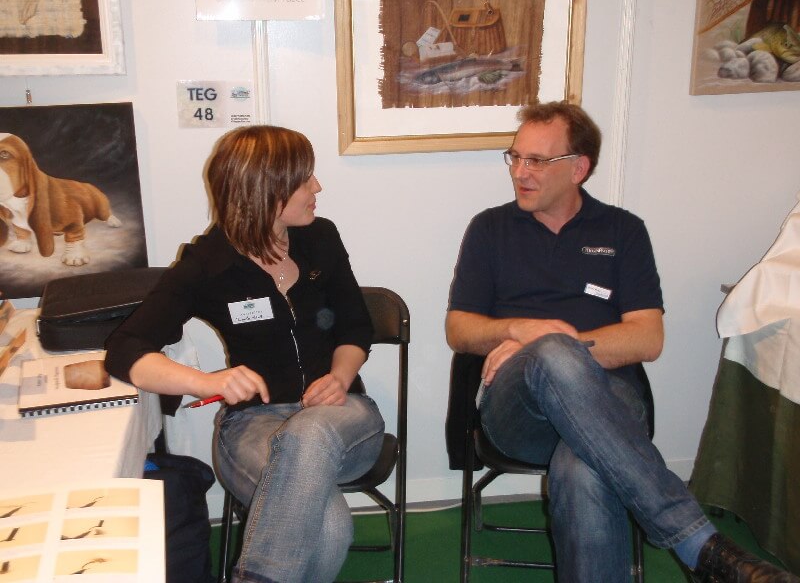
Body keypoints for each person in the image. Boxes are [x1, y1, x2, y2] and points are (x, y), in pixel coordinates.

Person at [445, 101, 798, 583]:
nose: (520, 172)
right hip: (516, 408)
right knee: (549, 351)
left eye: (537, 161)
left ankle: (695, 548)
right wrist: (520, 333)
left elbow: (648, 338)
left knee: (582, 466)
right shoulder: (490, 228)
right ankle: (697, 544)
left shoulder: (623, 230)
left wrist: (558, 342)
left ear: (578, 168)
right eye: (516, 157)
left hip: (611, 397)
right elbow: (459, 329)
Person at [105, 125, 385, 583]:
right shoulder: (209, 263)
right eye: (304, 179)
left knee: (310, 431)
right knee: (329, 527)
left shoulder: (321, 238)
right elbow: (125, 348)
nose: (317, 187)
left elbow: (356, 326)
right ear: (266, 191)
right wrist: (207, 382)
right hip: (254, 425)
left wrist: (340, 375)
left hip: (344, 416)